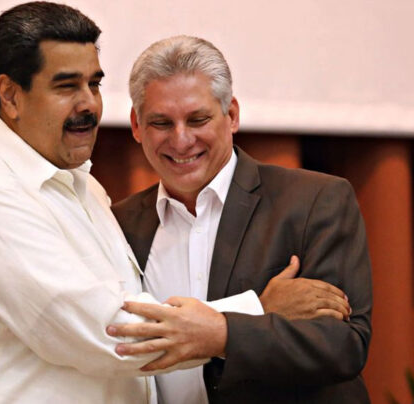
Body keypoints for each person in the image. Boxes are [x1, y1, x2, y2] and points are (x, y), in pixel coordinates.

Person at [0, 4, 354, 403]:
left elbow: (32, 311)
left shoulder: (85, 189)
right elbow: (107, 332)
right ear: (11, 95)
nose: (89, 104)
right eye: (66, 86)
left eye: (93, 83)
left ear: (232, 115)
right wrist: (253, 312)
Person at [106, 36, 372, 403]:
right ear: (137, 126)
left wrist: (223, 334)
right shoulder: (118, 224)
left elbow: (343, 345)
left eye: (198, 119)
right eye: (162, 123)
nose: (181, 140)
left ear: (231, 115)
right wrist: (257, 310)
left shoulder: (315, 200)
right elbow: (113, 340)